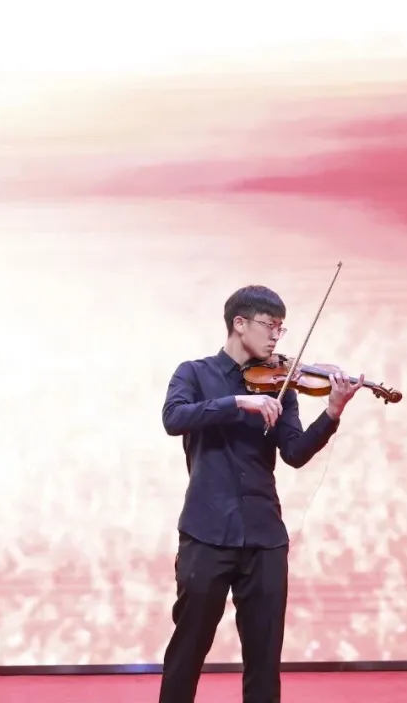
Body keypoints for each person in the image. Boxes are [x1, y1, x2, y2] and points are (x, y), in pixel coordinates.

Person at [157, 285, 365, 703]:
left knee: (264, 657)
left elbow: (295, 453)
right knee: (189, 648)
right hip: (206, 533)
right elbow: (173, 418)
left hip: (264, 538)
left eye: (281, 329)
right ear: (239, 323)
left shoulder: (281, 385)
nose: (276, 337)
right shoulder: (193, 373)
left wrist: (332, 412)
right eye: (270, 325)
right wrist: (237, 403)